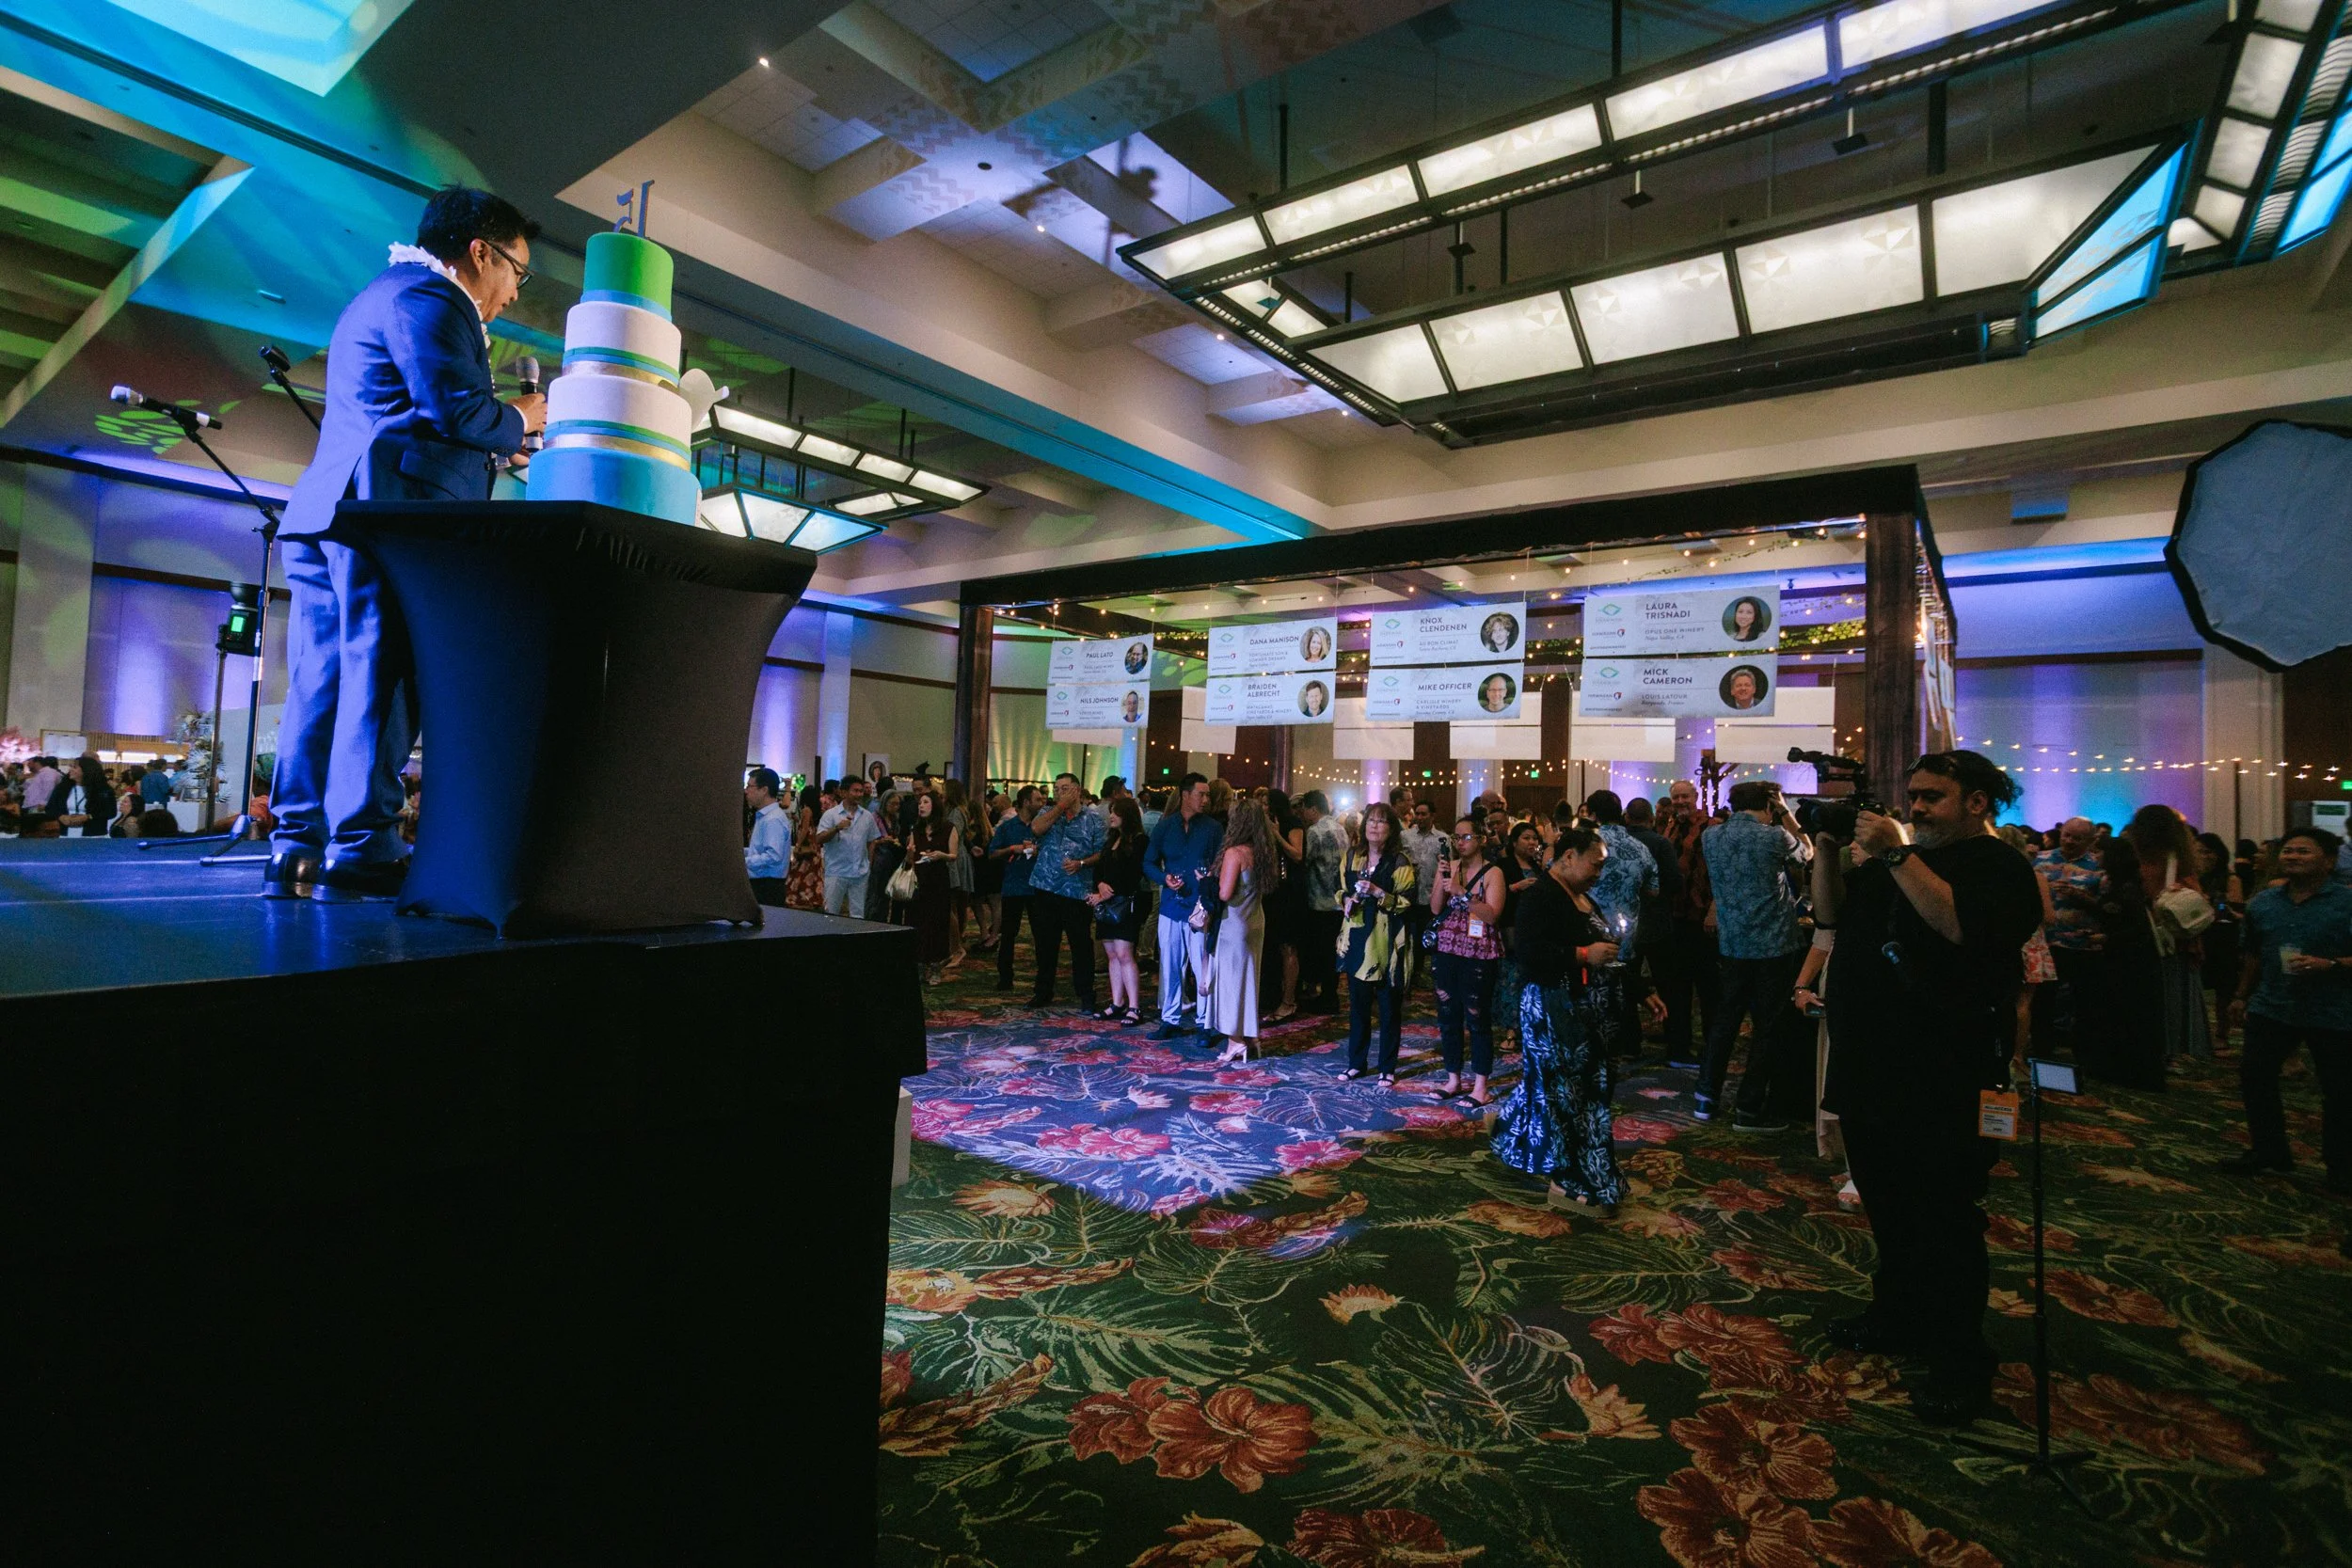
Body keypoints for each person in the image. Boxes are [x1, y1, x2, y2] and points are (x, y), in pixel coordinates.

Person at [266, 186, 544, 900]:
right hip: (386, 516)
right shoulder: (434, 298)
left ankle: (297, 846)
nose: (515, 292)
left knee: (321, 681)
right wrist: (524, 417)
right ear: (481, 252)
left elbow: (412, 411)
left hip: (330, 511)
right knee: (383, 676)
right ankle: (364, 845)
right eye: (518, 270)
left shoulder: (380, 292)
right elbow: (453, 407)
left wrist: (493, 448)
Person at [1821, 751, 2043, 1424]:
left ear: (1977, 801)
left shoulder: (2001, 867)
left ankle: (1960, 1358)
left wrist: (1895, 855)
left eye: (1932, 797)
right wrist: (1828, 849)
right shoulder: (1901, 862)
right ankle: (1897, 1313)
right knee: (1887, 1203)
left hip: (1945, 1073)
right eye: (1911, 796)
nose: (1914, 808)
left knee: (1945, 1216)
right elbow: (1829, 915)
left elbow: (1959, 928)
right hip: (1871, 1063)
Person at [1495, 824, 1658, 1214]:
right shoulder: (1541, 896)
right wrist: (1583, 956)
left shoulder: (1583, 896)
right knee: (1566, 1100)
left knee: (1586, 1098)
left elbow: (1610, 952)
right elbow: (1531, 955)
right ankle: (1567, 1182)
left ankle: (1581, 1168)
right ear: (1568, 857)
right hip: (1556, 1012)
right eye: (1595, 865)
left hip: (1587, 1018)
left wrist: (1642, 990)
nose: (1598, 873)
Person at [2221, 826, 2352, 1193]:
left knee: (2339, 1091)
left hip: (2334, 1010)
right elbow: (2254, 954)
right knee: (2255, 1076)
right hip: (2273, 1005)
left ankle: (2340, 1165)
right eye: (2288, 851)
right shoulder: (2265, 902)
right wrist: (2240, 996)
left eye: (2304, 852)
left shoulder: (2345, 902)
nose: (2293, 856)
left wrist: (2333, 965)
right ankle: (2269, 1151)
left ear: (2328, 861)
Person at [1695, 781, 1813, 1127]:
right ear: (1769, 804)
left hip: (1731, 944)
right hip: (1774, 946)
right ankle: (1748, 1107)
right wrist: (1787, 815)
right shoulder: (1774, 836)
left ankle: (1705, 1097)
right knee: (1767, 1027)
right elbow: (1807, 853)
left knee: (1724, 1021)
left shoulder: (1710, 837)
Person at [2123, 803, 2212, 1062]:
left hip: (2143, 933)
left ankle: (2155, 1046)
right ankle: (2173, 1048)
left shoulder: (2134, 856)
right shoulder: (2180, 859)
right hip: (2172, 939)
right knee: (2174, 996)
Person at [1339, 802, 1417, 1086]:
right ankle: (1356, 1063)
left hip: (1388, 942)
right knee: (1357, 1006)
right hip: (1358, 936)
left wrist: (1378, 892)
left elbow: (1407, 902)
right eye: (1370, 820)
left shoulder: (1400, 863)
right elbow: (1340, 890)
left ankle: (1387, 1066)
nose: (1374, 826)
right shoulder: (1351, 857)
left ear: (1391, 829)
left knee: (1388, 1008)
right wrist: (1346, 900)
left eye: (1381, 822)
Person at [1430, 816, 1505, 1105]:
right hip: (1448, 947)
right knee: (1448, 1015)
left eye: (1466, 837)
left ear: (1481, 840)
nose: (1460, 842)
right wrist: (1442, 877)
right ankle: (1453, 1079)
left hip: (1478, 951)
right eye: (1456, 837)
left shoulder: (1492, 872)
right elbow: (1436, 907)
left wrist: (1464, 894)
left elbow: (1492, 914)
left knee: (1477, 1016)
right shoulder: (1452, 867)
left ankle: (1480, 1085)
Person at [1142, 773, 1223, 1041]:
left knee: (1202, 968)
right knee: (1170, 965)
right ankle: (1170, 1018)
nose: (1206, 799)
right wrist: (1163, 878)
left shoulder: (1213, 828)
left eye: (1208, 794)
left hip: (1201, 906)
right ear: (1185, 795)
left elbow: (1221, 863)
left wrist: (1210, 880)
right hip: (1171, 906)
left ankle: (1205, 1023)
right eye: (1201, 794)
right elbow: (1149, 862)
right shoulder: (1166, 826)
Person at [2084, 835, 2166, 1090]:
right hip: (2128, 962)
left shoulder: (2127, 888)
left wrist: (2107, 938)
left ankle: (2130, 1071)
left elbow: (2137, 930)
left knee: (2129, 1017)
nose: (2095, 857)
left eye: (2099, 852)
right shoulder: (2124, 884)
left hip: (2130, 965)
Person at [1582, 791, 1659, 1055]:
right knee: (1625, 986)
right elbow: (1653, 890)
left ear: (1591, 814)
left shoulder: (1587, 844)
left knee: (1592, 988)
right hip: (1626, 931)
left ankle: (1597, 1043)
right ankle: (1628, 1043)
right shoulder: (1640, 848)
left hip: (1589, 930)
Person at [1026, 771, 1105, 1012]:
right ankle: (1043, 991)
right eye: (1057, 788)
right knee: (1045, 945)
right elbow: (1037, 829)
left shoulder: (1093, 819)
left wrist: (1082, 863)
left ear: (1078, 790)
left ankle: (1085, 993)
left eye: (1065, 788)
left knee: (1080, 945)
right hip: (1044, 887)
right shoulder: (1048, 814)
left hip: (1076, 891)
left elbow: (1102, 852)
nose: (1060, 792)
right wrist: (1059, 807)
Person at [2030, 816, 2106, 1058]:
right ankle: (2043, 1049)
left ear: (2090, 840)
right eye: (2066, 836)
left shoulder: (2098, 865)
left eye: (2077, 838)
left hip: (2082, 944)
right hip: (2047, 942)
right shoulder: (2041, 859)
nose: (2070, 841)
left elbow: (2106, 907)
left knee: (2084, 1002)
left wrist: (2081, 898)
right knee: (2044, 1001)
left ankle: (2083, 1052)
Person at [1204, 797, 1273, 1064]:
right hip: (1256, 919)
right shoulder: (1263, 851)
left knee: (1232, 984)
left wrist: (1207, 881)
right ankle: (1251, 1036)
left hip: (1234, 924)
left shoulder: (1235, 853)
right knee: (1249, 982)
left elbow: (1224, 893)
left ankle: (1235, 1041)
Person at [1089, 796, 1149, 1025]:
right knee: (1112, 954)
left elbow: (1134, 874)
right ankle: (1117, 1002)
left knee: (1125, 954)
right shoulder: (1111, 839)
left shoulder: (1140, 840)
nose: (1111, 816)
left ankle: (1134, 1006)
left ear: (1128, 816)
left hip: (1126, 903)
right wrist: (1100, 886)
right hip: (1107, 904)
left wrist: (1107, 891)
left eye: (1116, 812)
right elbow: (1101, 869)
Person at [902, 790, 959, 984]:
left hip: (938, 880)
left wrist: (940, 855)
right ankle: (918, 963)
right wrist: (910, 852)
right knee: (916, 921)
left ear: (934, 806)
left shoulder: (949, 828)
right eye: (920, 803)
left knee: (937, 922)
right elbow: (910, 858)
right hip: (919, 880)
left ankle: (935, 965)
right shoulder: (916, 829)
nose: (921, 806)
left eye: (925, 802)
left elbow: (954, 855)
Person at [1298, 791, 1348, 1014]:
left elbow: (1304, 861)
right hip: (1339, 899)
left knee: (1320, 951)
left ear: (1313, 809)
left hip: (1319, 899)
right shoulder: (1340, 828)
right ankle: (1331, 993)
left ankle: (1325, 998)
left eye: (1304, 809)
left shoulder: (1314, 831)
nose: (1303, 814)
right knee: (1333, 951)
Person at [2196, 831, 2245, 1048]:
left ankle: (2222, 1033)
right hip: (2200, 933)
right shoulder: (2193, 878)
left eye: (2206, 852)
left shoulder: (2231, 879)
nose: (2202, 856)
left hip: (2223, 937)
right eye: (2198, 851)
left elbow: (2236, 910)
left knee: (2223, 988)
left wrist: (2217, 906)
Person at [1263, 789, 1307, 1023]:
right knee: (1276, 946)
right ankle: (1275, 995)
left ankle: (1289, 1000)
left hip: (1292, 890)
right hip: (1274, 891)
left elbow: (1297, 855)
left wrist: (1277, 835)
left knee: (1289, 946)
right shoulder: (1268, 824)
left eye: (1266, 803)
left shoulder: (1292, 822)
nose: (1263, 807)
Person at [990, 787, 1041, 991]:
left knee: (1041, 934)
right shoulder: (1008, 827)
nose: (1042, 802)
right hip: (1013, 886)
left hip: (1037, 886)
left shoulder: (1042, 826)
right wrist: (1012, 849)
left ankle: (1042, 978)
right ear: (1026, 802)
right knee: (1009, 934)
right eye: (1038, 799)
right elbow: (992, 853)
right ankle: (1005, 976)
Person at [815, 776, 883, 916]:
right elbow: (819, 838)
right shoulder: (831, 815)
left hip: (860, 873)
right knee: (830, 914)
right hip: (836, 872)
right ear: (844, 792)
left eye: (861, 791)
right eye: (855, 791)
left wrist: (868, 864)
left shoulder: (867, 816)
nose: (859, 794)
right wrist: (836, 828)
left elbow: (872, 841)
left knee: (858, 915)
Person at [742, 767, 790, 907]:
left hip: (767, 887)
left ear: (764, 790)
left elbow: (773, 856)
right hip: (764, 885)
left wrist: (744, 861)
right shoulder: (765, 816)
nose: (746, 791)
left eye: (750, 786)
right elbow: (759, 849)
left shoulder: (772, 819)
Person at [783, 783, 827, 911]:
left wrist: (798, 844)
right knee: (812, 873)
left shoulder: (806, 810)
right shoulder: (814, 810)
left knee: (800, 872)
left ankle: (798, 897)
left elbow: (804, 829)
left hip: (806, 845)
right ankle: (811, 898)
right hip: (814, 846)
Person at [52, 755, 115, 838]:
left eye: (74, 767)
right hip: (66, 834)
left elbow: (111, 812)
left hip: (93, 836)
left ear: (86, 770)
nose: (70, 770)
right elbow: (51, 807)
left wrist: (88, 817)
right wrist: (60, 816)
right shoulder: (63, 788)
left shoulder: (103, 790)